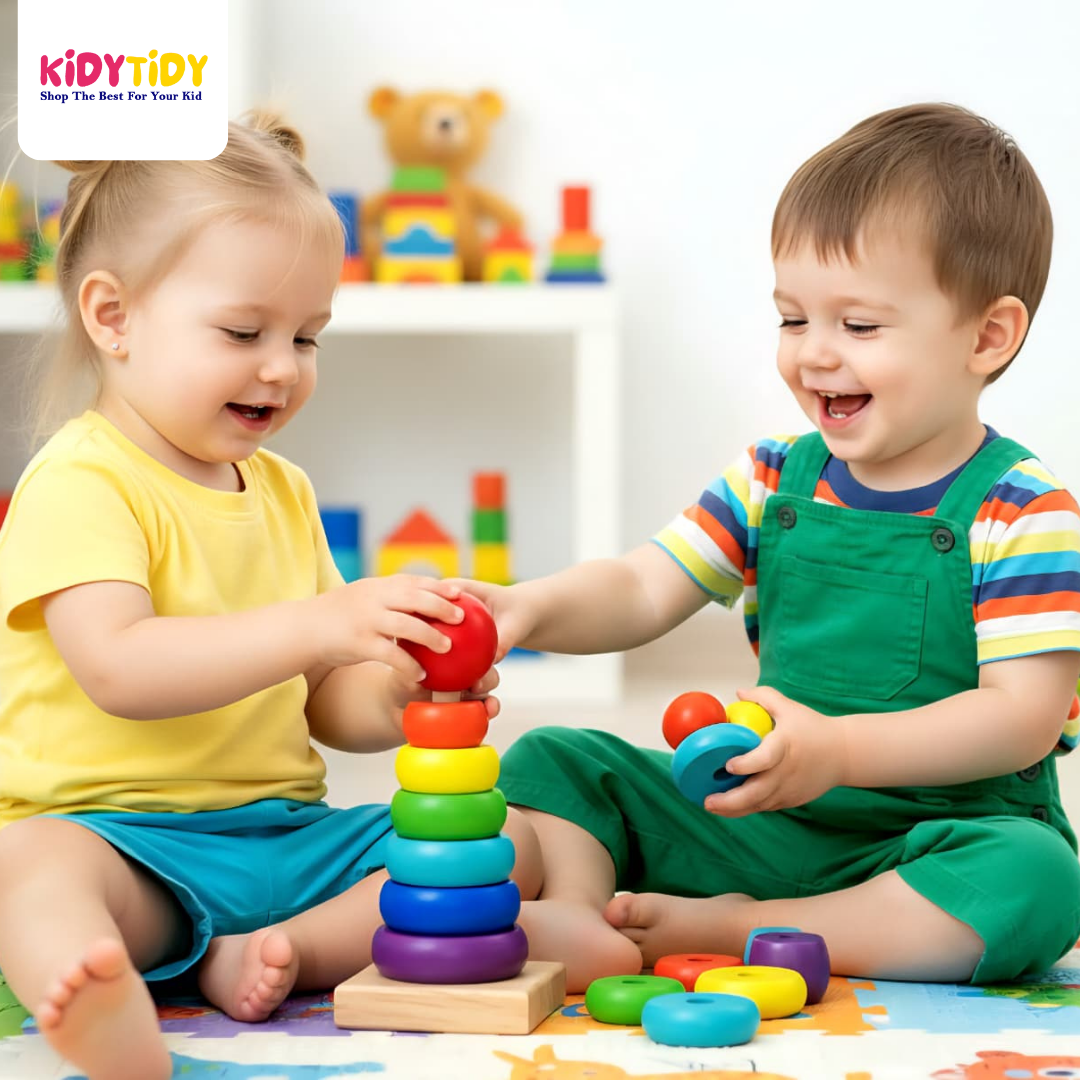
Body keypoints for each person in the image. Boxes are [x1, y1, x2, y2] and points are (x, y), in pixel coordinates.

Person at [462, 103, 1080, 993]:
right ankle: (586, 913)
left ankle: (749, 928)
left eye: (859, 327)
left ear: (987, 336)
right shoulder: (770, 479)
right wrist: (527, 608)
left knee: (1035, 882)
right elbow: (643, 587)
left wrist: (838, 752)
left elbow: (1020, 719)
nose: (814, 356)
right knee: (557, 759)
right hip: (754, 815)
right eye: (794, 319)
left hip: (932, 841)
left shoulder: (1023, 513)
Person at [0, 114, 539, 1080]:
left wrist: (404, 693)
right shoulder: (80, 480)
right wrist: (319, 623)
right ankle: (88, 987)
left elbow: (324, 700)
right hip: (120, 844)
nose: (283, 366)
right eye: (244, 331)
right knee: (26, 872)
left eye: (308, 335)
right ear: (112, 317)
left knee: (507, 840)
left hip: (282, 839)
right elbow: (120, 667)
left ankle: (273, 954)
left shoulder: (282, 490)